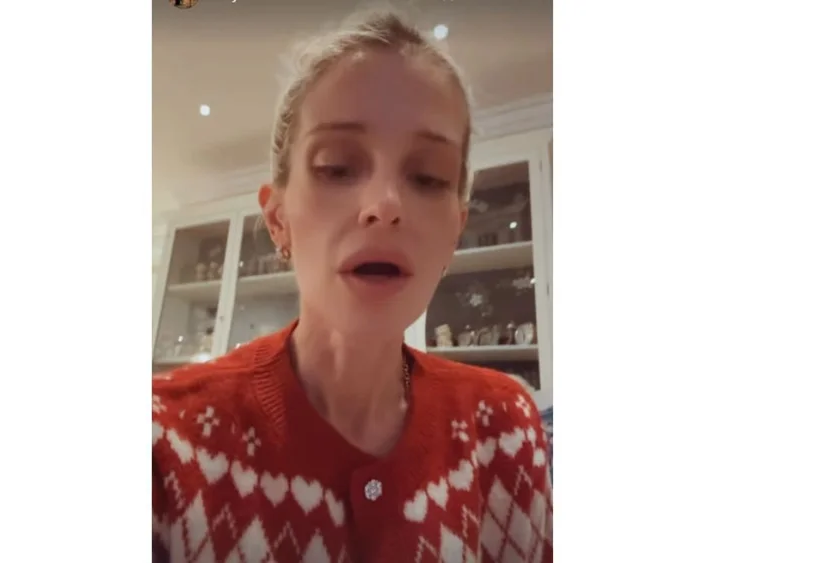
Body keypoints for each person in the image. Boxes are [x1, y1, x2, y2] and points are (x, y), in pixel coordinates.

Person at [152, 8, 552, 563]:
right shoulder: (164, 442)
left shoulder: (506, 427)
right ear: (278, 220)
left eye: (428, 177)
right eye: (337, 167)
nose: (385, 205)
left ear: (455, 231)